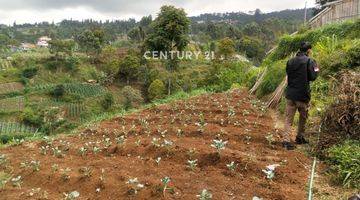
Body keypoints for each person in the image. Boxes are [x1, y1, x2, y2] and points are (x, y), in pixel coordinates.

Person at [282, 42, 319, 150]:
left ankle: (286, 141)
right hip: (302, 95)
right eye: (310, 50)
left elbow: (289, 74)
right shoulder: (310, 61)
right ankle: (299, 137)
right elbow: (313, 77)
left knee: (288, 119)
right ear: (308, 50)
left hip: (290, 94)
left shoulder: (290, 61)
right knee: (303, 117)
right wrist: (316, 69)